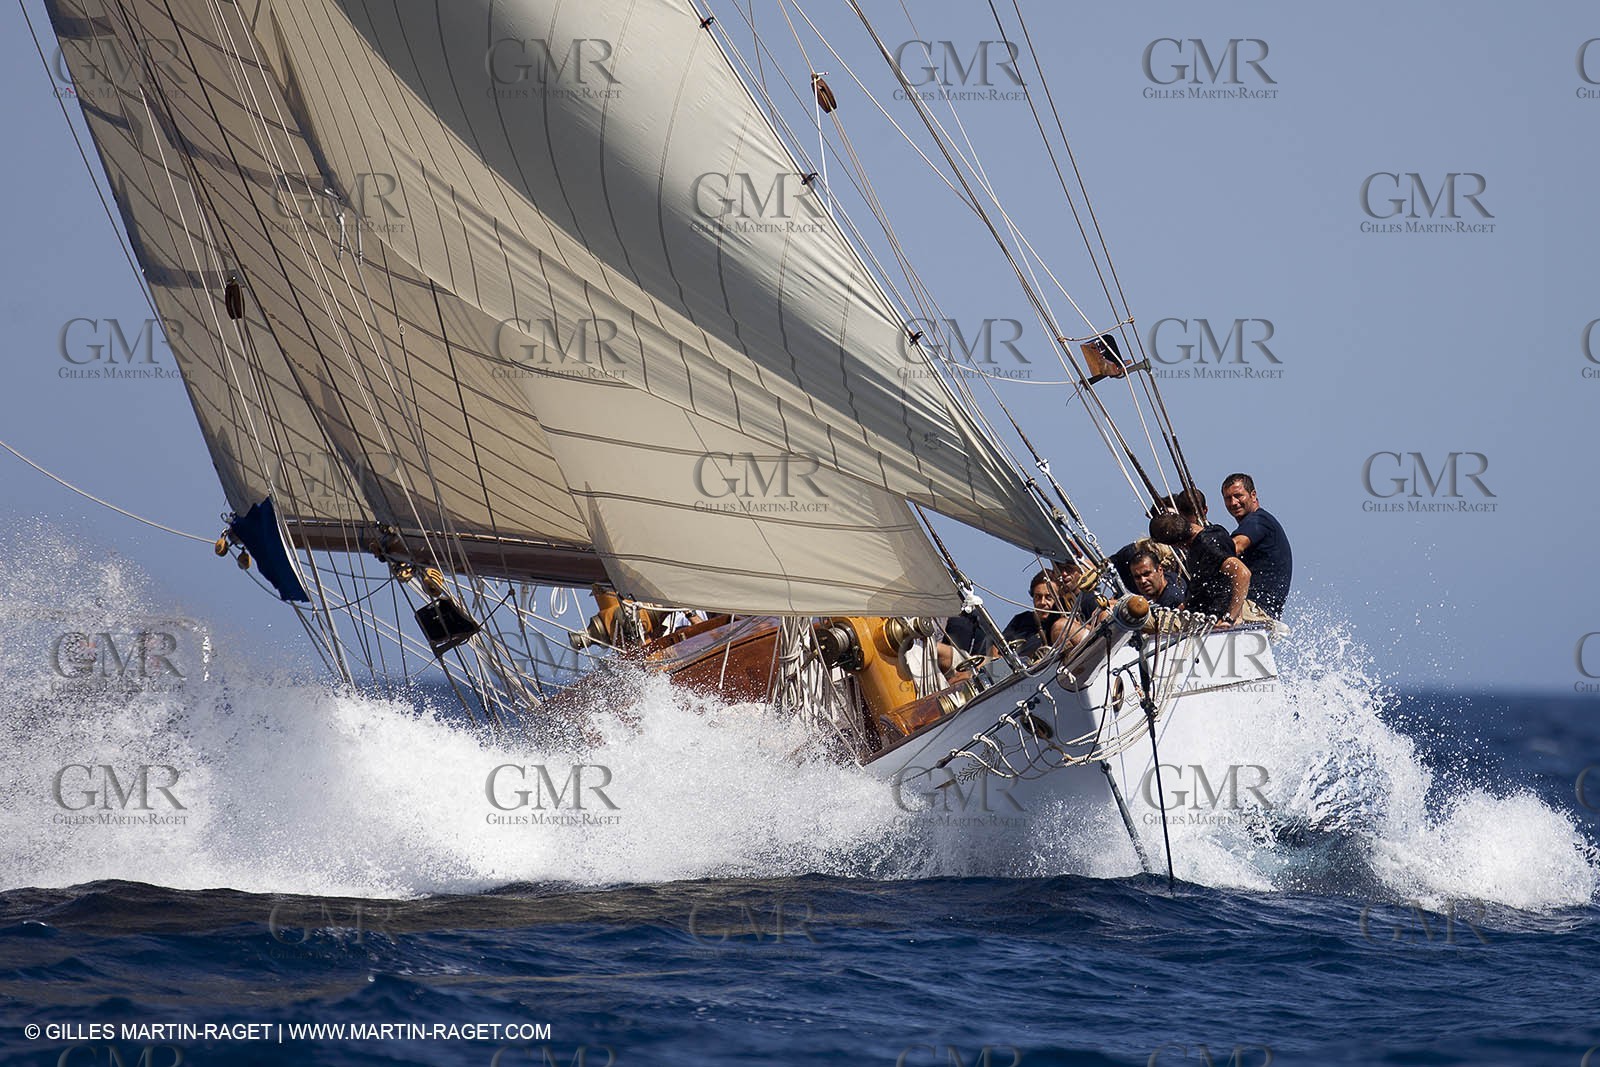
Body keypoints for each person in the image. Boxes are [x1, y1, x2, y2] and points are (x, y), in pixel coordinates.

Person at [1149, 511, 1250, 627]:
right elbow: (1211, 580)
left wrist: (1230, 618)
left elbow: (1242, 574)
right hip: (1198, 614)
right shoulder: (1215, 531)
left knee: (1146, 622)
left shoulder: (1209, 546)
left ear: (1177, 544)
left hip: (1213, 619)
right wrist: (1185, 604)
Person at [1221, 473, 1293, 619]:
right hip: (1261, 612)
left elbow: (1236, 546)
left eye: (1238, 496)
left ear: (1253, 495)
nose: (1234, 502)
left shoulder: (1259, 521)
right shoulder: (1257, 522)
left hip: (1256, 610)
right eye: (1228, 498)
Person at [997, 565, 1100, 661]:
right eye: (1038, 597)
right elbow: (997, 647)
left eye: (1048, 597)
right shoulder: (1020, 621)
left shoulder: (1061, 622)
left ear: (1058, 599)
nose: (1042, 602)